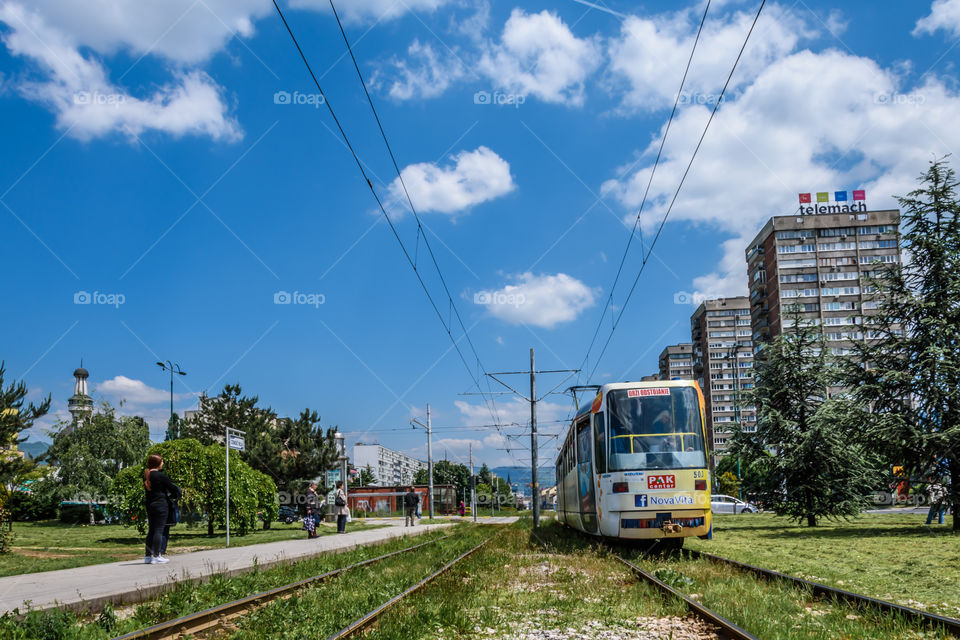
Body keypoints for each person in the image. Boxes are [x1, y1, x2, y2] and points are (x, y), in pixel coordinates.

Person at [143, 454, 181, 565]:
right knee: (159, 530)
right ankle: (156, 556)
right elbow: (172, 487)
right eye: (162, 461)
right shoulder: (160, 476)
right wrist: (176, 494)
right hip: (161, 505)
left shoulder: (147, 475)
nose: (163, 463)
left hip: (150, 504)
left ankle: (147, 556)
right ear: (158, 463)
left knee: (151, 530)